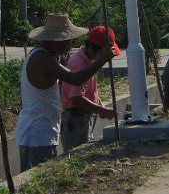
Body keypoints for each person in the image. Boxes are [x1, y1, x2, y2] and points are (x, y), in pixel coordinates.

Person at [14, 14, 115, 172]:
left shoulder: (45, 56)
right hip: (39, 134)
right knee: (38, 180)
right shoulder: (43, 59)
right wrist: (102, 60)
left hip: (36, 130)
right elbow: (74, 79)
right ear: (55, 41)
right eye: (66, 40)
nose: (70, 43)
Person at [60, 26, 120, 152]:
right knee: (76, 155)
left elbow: (89, 91)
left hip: (83, 117)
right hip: (75, 120)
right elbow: (76, 98)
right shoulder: (80, 64)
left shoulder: (88, 60)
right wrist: (102, 110)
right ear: (92, 48)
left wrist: (99, 104)